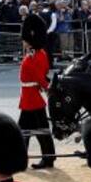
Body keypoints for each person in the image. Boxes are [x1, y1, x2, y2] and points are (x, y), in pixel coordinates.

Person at [18, 12, 56, 169]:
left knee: (36, 131)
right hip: (29, 97)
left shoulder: (36, 55)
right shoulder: (35, 53)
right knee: (27, 131)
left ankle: (46, 158)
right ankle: (42, 158)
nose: (24, 42)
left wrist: (48, 88)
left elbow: (40, 76)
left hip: (32, 98)